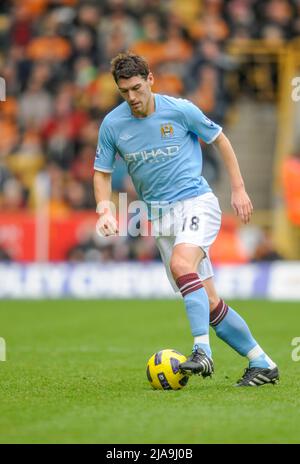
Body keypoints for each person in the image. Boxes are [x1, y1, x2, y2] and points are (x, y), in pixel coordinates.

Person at [93, 52, 279, 387]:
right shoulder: (113, 124)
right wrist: (104, 208)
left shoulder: (179, 110)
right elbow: (102, 172)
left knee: (183, 265)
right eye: (125, 92)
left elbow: (219, 138)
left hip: (196, 203)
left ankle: (201, 350)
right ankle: (261, 362)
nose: (132, 97)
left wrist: (238, 189)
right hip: (159, 218)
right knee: (208, 303)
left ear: (151, 79)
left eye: (137, 88)